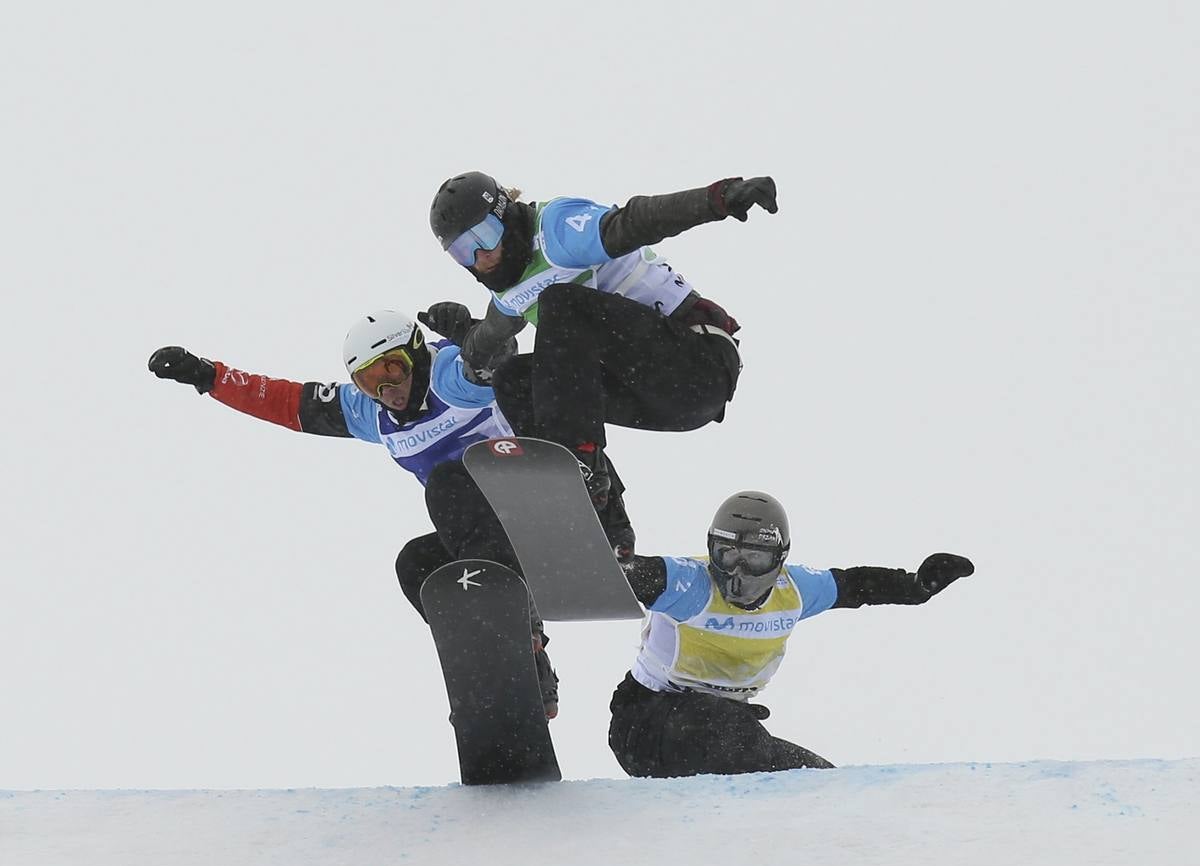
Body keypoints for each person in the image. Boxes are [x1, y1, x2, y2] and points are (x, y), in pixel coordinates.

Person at [147, 310, 566, 717]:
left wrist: (470, 329)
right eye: (370, 381)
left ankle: (517, 622)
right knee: (419, 566)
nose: (387, 389)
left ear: (417, 353)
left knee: (448, 483)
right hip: (494, 541)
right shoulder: (372, 414)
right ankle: (507, 669)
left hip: (537, 501)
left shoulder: (453, 373)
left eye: (393, 368)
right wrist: (209, 376)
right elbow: (283, 400)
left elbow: (502, 350)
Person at [423, 170, 777, 511]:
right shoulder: (508, 294)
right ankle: (606, 522)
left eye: (483, 235)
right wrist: (461, 332)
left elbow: (636, 221)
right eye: (463, 251)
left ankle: (576, 461)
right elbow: (486, 342)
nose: (480, 257)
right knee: (513, 380)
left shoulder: (556, 229)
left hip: (698, 367)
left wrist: (719, 198)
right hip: (651, 395)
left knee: (559, 304)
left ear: (505, 214)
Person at [608, 491, 974, 777]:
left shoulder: (794, 590)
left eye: (754, 559)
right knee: (732, 734)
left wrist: (914, 587)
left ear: (779, 558)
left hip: (717, 729)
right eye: (726, 554)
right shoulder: (688, 583)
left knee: (814, 779)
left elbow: (855, 585)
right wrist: (603, 557)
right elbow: (627, 574)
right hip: (644, 724)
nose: (738, 570)